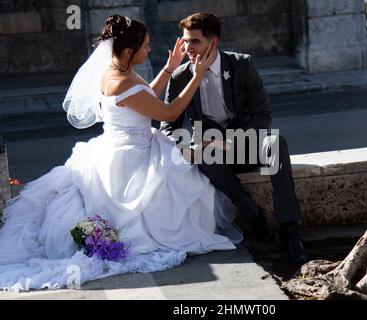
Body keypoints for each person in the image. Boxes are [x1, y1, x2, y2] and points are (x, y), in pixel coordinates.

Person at [0, 14, 240, 292]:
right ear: (129, 50)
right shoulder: (121, 82)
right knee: (185, 182)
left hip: (127, 145)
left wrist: (168, 69)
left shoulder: (118, 71)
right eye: (146, 46)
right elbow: (169, 112)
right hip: (133, 157)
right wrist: (196, 76)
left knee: (191, 165)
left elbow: (144, 98)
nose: (149, 49)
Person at [160, 13, 308, 266]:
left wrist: (226, 140)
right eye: (185, 42)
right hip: (212, 155)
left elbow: (262, 115)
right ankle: (254, 216)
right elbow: (167, 126)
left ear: (213, 43)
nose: (187, 48)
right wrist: (188, 145)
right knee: (204, 157)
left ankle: (289, 228)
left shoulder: (242, 64)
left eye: (194, 42)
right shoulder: (181, 76)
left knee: (276, 143)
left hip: (244, 143)